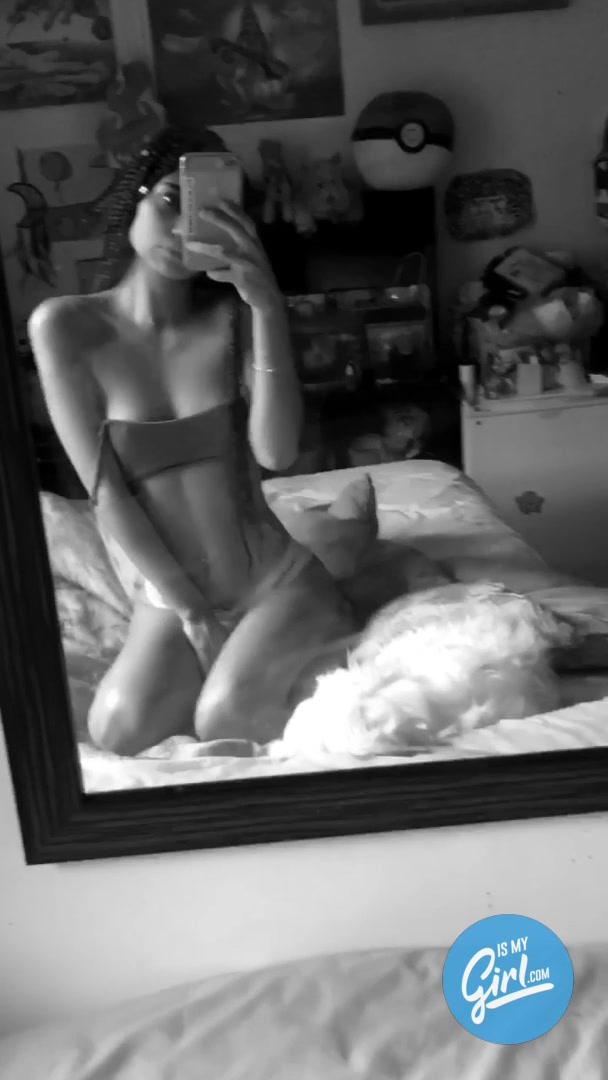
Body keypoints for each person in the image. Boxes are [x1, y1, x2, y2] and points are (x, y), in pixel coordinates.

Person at [29, 127, 354, 756]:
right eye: (170, 201)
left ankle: (329, 605)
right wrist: (192, 613)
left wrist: (267, 307)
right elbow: (106, 494)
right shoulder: (64, 326)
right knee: (116, 730)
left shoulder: (232, 318)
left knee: (226, 715)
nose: (182, 229)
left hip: (272, 580)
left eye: (207, 210)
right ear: (135, 198)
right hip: (172, 594)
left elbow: (276, 453)